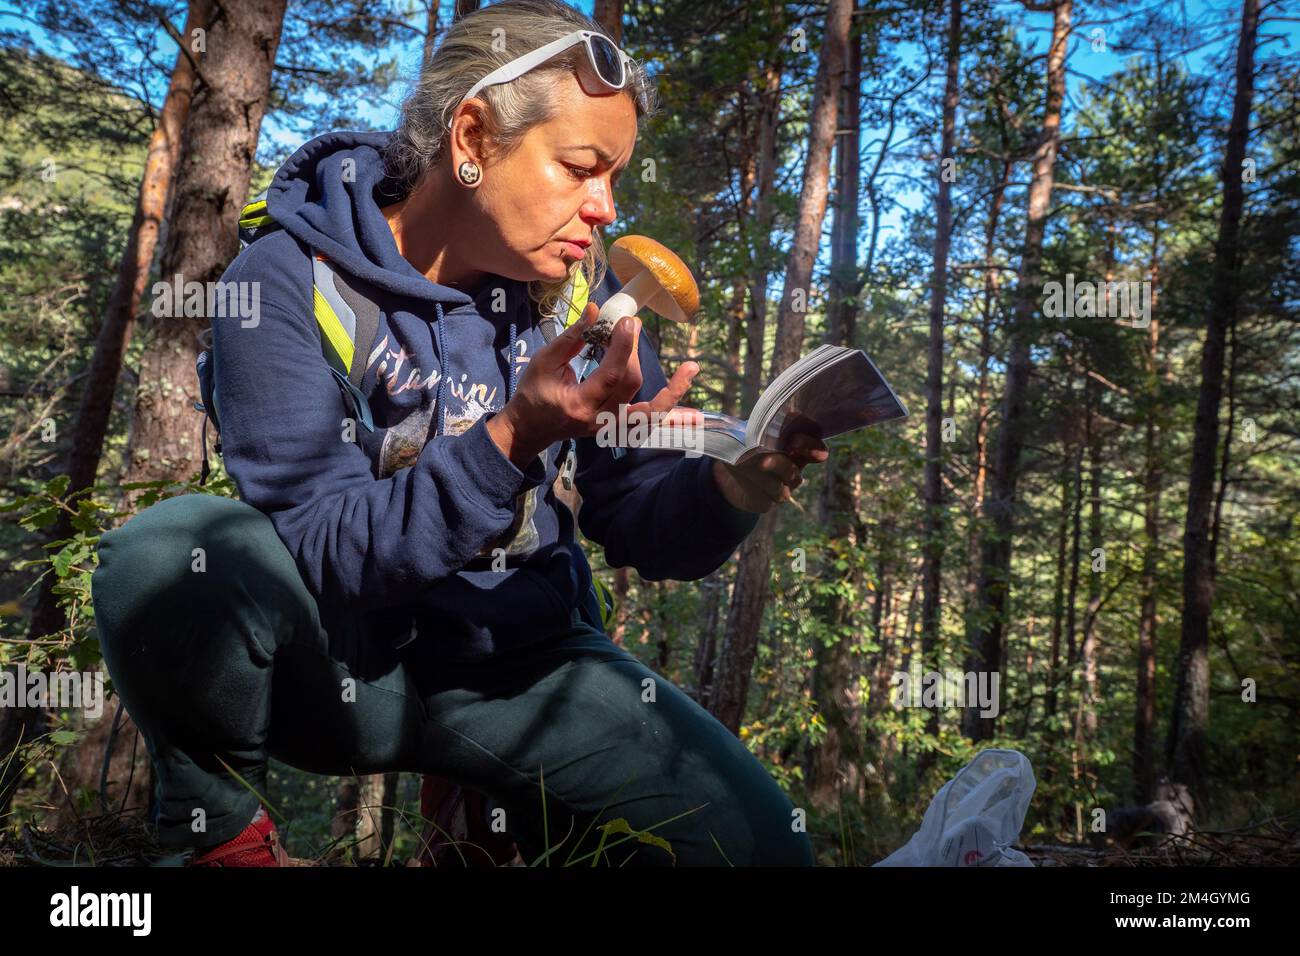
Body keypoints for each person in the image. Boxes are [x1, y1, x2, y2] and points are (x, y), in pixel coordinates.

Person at [91, 0, 826, 867]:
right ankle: (220, 839)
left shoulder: (584, 297)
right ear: (472, 139)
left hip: (523, 661)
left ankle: (481, 815)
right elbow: (319, 549)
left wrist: (722, 491)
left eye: (616, 178)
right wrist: (512, 436)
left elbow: (632, 518)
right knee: (172, 553)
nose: (605, 209)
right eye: (582, 168)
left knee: (770, 850)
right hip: (346, 666)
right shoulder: (287, 279)